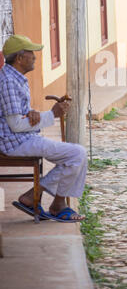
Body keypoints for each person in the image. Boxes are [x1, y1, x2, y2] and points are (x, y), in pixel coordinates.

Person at [0, 35, 87, 222]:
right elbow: (15, 125)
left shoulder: (15, 78)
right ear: (20, 58)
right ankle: (55, 204)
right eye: (31, 53)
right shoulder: (8, 81)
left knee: (76, 155)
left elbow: (14, 115)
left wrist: (31, 113)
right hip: (14, 142)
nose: (35, 57)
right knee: (76, 154)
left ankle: (35, 197)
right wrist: (51, 114)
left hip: (23, 137)